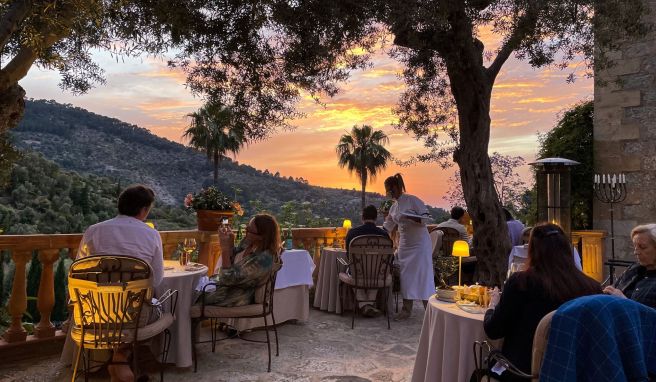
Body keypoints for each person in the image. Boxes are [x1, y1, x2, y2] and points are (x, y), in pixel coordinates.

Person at [484, 223, 601, 381]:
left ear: (532, 250)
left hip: (525, 372)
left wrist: (492, 305)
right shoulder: (592, 287)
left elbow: (493, 330)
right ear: (567, 250)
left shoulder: (521, 283)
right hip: (574, 371)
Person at [71, 184, 164, 382]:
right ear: (144, 209)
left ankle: (117, 361)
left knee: (115, 307)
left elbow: (79, 271)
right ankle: (121, 359)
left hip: (93, 313)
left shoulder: (94, 231)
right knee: (154, 305)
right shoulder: (151, 234)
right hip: (135, 317)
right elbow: (156, 279)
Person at [382, 173, 435, 320]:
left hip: (420, 244)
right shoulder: (394, 207)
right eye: (387, 191)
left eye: (391, 190)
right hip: (405, 244)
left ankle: (430, 310)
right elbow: (387, 226)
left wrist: (410, 217)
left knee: (424, 276)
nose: (390, 193)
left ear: (398, 187)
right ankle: (406, 310)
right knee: (406, 277)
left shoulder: (413, 200)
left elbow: (425, 219)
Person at [199, 214, 281, 307]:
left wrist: (225, 249)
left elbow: (228, 279)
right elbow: (233, 258)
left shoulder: (264, 259)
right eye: (246, 228)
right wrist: (230, 244)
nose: (246, 232)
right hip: (225, 287)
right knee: (192, 288)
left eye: (250, 231)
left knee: (191, 297)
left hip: (235, 296)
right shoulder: (248, 242)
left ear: (262, 236)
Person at [345, 205, 389, 317]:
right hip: (378, 275)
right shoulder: (384, 234)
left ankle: (364, 306)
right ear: (376, 218)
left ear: (362, 217)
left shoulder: (352, 233)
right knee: (377, 273)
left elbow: (347, 256)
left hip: (357, 273)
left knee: (353, 273)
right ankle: (368, 305)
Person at [603, 223, 656, 309]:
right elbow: (613, 289)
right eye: (634, 247)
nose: (636, 252)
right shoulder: (633, 269)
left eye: (642, 247)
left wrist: (624, 301)